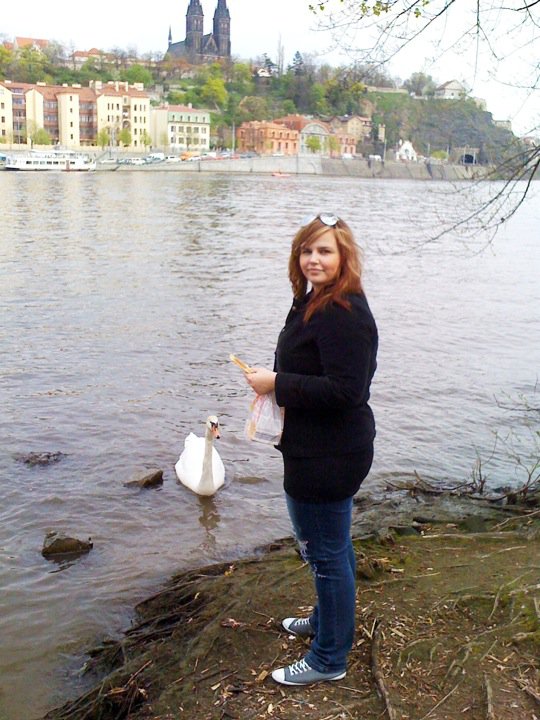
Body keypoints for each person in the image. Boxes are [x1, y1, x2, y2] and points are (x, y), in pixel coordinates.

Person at [244, 212, 378, 686]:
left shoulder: (343, 312)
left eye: (325, 251)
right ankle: (327, 622)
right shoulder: (314, 300)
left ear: (344, 257)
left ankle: (328, 659)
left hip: (329, 454)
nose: (313, 259)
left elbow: (348, 390)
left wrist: (277, 383)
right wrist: (277, 380)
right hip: (318, 446)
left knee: (324, 553)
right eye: (307, 250)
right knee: (332, 546)